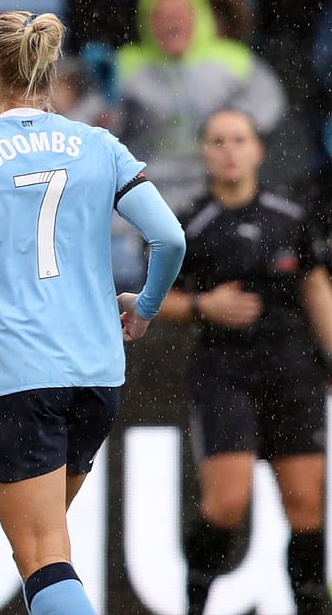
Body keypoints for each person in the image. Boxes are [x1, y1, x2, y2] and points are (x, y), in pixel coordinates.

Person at [0, 11, 186, 615]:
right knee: (41, 555)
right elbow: (170, 240)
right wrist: (143, 308)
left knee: (41, 556)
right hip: (96, 373)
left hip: (18, 374)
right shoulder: (99, 144)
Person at [153, 109, 332, 615]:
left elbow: (315, 286)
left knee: (306, 509)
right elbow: (151, 299)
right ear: (205, 152)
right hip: (225, 371)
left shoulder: (290, 218)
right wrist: (200, 306)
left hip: (292, 369)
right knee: (226, 504)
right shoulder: (186, 225)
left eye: (239, 139)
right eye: (218, 141)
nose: (230, 149)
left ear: (257, 149)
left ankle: (312, 606)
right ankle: (196, 599)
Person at [112, 0, 286, 214]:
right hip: (146, 189)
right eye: (161, 15)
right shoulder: (127, 65)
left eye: (179, 13)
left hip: (215, 187)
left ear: (199, 16)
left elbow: (268, 105)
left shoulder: (233, 60)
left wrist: (226, 131)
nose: (172, 22)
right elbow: (100, 123)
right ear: (146, 21)